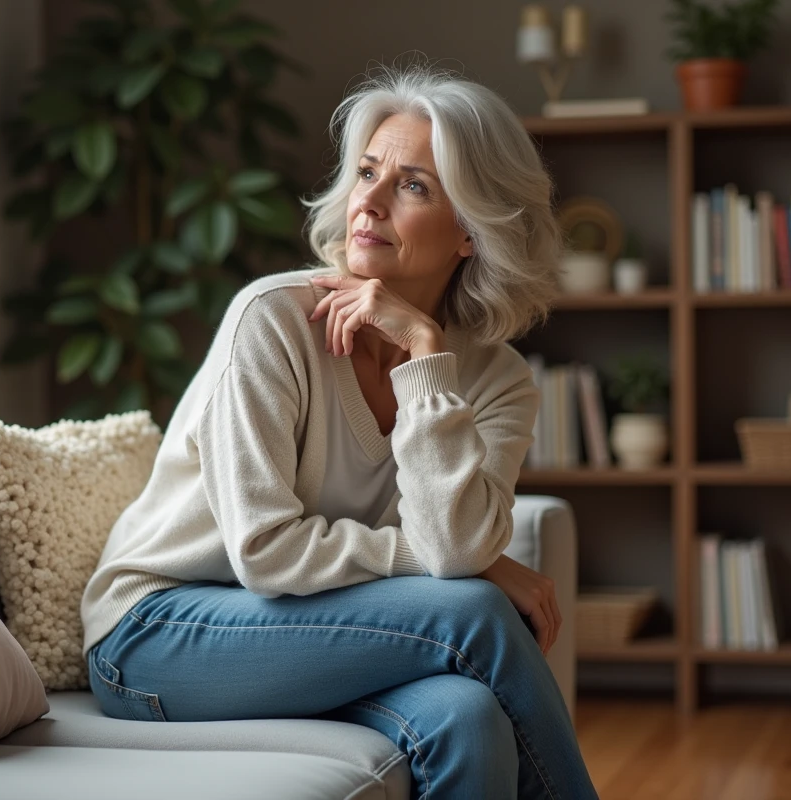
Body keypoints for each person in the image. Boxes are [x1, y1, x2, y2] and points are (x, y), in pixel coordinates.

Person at [80, 63, 598, 799]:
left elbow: (453, 546)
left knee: (467, 717)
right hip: (157, 632)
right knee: (475, 609)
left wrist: (425, 353)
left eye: (413, 185)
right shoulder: (272, 320)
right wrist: (476, 568)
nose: (370, 202)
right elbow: (264, 551)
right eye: (367, 173)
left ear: (471, 232)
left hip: (308, 633)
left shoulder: (498, 380)